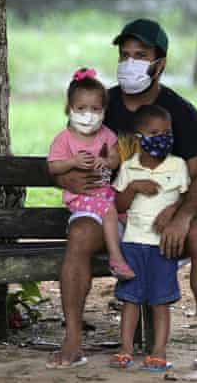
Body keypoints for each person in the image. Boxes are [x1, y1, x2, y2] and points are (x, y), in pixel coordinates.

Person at [46, 18, 197, 372]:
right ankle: (72, 341)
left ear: (160, 63)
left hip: (163, 216)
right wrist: (67, 182)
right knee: (80, 233)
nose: (130, 63)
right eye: (124, 55)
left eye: (140, 56)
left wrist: (182, 216)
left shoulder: (182, 113)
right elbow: (61, 156)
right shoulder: (99, 103)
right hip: (111, 213)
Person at [108, 104, 189, 372]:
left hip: (162, 247)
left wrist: (173, 209)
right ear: (138, 139)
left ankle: (159, 351)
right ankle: (125, 349)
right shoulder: (129, 168)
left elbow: (187, 197)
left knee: (160, 301)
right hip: (133, 243)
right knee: (130, 299)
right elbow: (118, 204)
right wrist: (133, 187)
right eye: (155, 132)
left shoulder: (178, 166)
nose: (163, 137)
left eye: (167, 132)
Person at [47, 67, 134, 282]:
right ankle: (116, 260)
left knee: (129, 215)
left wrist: (105, 161)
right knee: (110, 212)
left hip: (105, 193)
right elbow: (53, 167)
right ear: (69, 109)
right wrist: (72, 162)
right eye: (82, 108)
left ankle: (137, 262)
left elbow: (115, 159)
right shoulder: (64, 139)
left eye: (95, 109)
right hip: (82, 199)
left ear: (104, 110)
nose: (89, 115)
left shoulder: (106, 135)